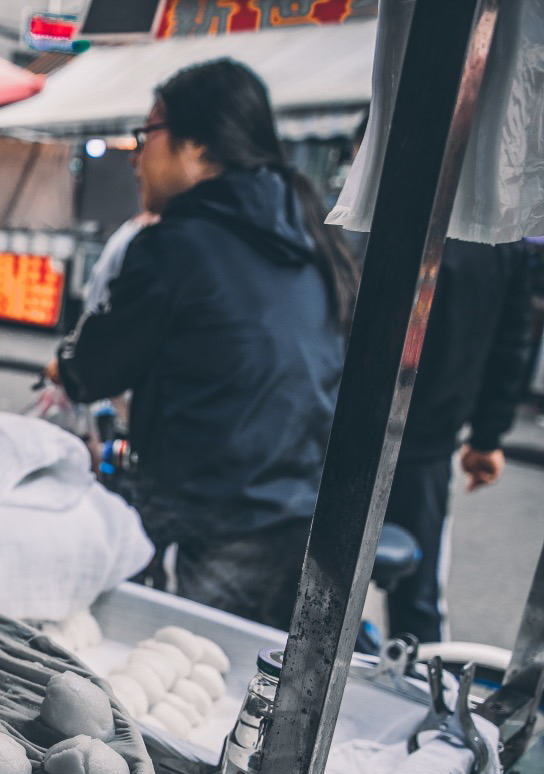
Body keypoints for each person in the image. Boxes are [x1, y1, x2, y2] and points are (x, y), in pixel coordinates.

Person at [49, 60, 360, 630]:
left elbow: (93, 369)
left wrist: (64, 366)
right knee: (252, 672)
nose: (135, 155)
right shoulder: (314, 235)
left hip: (214, 509)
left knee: (182, 665)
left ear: (196, 146)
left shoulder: (176, 245)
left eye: (145, 136)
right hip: (302, 506)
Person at [383, 238, 531, 642]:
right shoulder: (500, 241)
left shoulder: (379, 202)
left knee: (413, 596)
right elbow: (510, 341)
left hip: (357, 429)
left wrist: (487, 436)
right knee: (417, 600)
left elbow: (509, 338)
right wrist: (486, 437)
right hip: (422, 437)